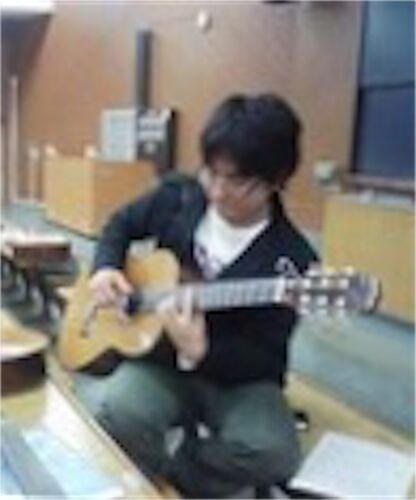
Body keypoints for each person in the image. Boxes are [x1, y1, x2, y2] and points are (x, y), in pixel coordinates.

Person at [74, 93, 319, 498]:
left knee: (274, 454)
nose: (218, 192)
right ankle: (150, 481)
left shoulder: (291, 261)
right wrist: (106, 268)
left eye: (237, 181)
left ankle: (182, 474)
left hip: (237, 380)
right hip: (160, 358)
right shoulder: (180, 197)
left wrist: (201, 351)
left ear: (276, 181)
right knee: (115, 409)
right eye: (212, 173)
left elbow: (266, 358)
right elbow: (119, 224)